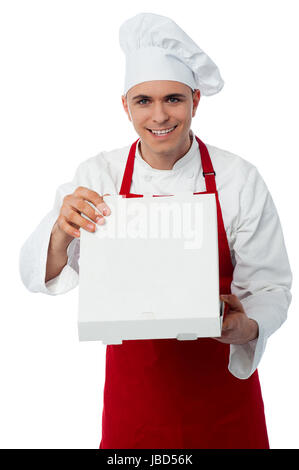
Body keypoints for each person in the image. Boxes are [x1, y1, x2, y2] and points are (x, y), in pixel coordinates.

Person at [19, 12, 292, 449]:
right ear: (124, 105)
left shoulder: (238, 177)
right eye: (143, 100)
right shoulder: (99, 174)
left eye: (174, 99)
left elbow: (272, 285)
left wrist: (248, 327)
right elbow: (38, 275)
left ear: (196, 101)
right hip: (136, 403)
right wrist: (61, 232)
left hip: (222, 397)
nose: (160, 115)